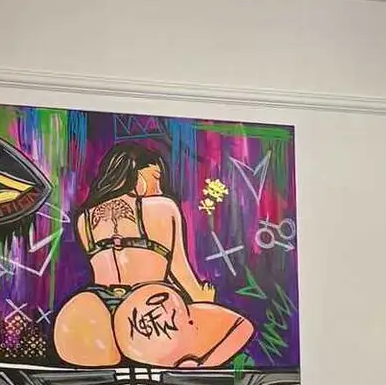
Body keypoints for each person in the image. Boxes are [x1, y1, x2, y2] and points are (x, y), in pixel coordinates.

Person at [52, 142, 254, 370]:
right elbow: (180, 271)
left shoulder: (85, 219)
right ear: (136, 174)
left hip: (87, 311)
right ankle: (191, 370)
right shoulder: (162, 207)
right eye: (155, 177)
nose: (159, 187)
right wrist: (202, 299)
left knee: (111, 374)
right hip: (147, 312)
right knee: (240, 326)